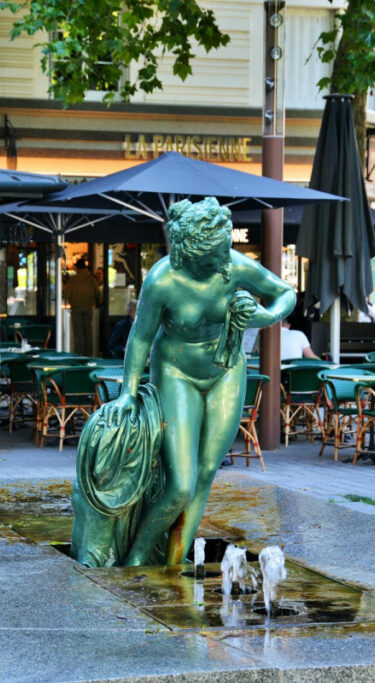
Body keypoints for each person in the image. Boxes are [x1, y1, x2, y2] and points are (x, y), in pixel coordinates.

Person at [113, 197, 295, 566]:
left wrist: (262, 316)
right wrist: (128, 392)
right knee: (181, 482)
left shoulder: (233, 265)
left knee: (207, 471)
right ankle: (136, 558)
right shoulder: (162, 279)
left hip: (226, 369)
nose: (223, 263)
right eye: (213, 258)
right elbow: (141, 337)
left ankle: (174, 560)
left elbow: (284, 293)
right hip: (175, 372)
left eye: (223, 252)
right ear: (189, 256)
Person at [63, 259, 100, 356]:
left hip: (76, 309)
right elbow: (98, 294)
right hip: (88, 309)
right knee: (88, 334)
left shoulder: (73, 279)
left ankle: (79, 356)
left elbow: (66, 294)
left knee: (78, 335)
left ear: (77, 268)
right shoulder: (91, 279)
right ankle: (89, 356)